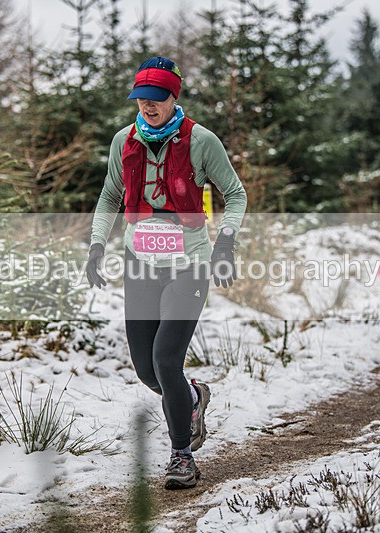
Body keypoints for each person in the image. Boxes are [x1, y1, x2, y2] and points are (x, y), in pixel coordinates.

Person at [86, 57, 247, 490]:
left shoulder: (201, 141)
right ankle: (193, 399)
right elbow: (109, 197)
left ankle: (181, 455)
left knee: (165, 359)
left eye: (155, 99)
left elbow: (235, 193)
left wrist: (226, 243)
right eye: (141, 99)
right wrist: (98, 243)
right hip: (139, 262)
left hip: (189, 263)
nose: (147, 106)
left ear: (173, 96)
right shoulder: (124, 140)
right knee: (145, 368)